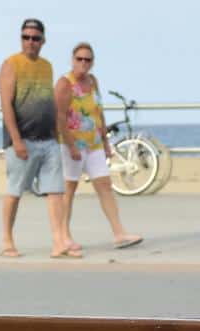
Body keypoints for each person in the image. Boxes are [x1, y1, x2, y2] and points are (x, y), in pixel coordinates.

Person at [55, 42, 142, 256]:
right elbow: (59, 117)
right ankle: (64, 236)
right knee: (69, 190)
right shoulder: (65, 83)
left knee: (104, 185)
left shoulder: (93, 81)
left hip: (93, 143)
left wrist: (105, 143)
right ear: (72, 60)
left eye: (88, 59)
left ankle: (119, 233)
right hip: (72, 144)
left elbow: (98, 112)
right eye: (79, 59)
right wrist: (71, 144)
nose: (83, 63)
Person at [0, 18, 69, 258]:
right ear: (21, 39)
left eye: (35, 38)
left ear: (43, 41)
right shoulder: (11, 64)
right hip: (22, 140)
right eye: (26, 37)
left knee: (56, 191)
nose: (30, 42)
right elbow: (6, 105)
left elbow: (49, 102)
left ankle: (59, 242)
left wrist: (58, 135)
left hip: (48, 140)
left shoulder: (47, 66)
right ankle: (7, 240)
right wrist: (16, 140)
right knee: (15, 191)